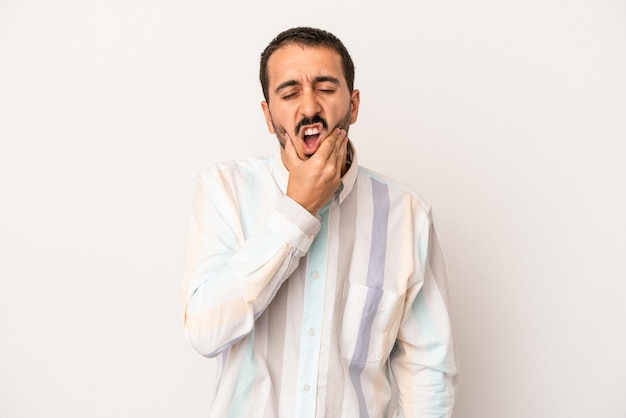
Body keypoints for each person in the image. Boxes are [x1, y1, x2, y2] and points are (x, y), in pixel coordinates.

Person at [181, 27, 458, 418]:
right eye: (290, 92)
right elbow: (205, 331)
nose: (309, 107)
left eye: (325, 88)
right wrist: (298, 208)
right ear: (268, 114)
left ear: (354, 104)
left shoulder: (407, 214)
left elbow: (428, 371)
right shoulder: (224, 191)